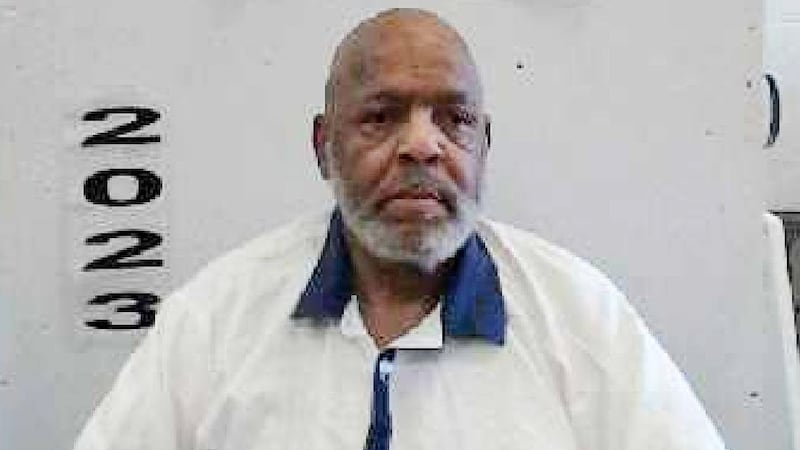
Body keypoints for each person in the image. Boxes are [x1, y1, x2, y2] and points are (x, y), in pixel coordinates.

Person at [74, 8, 728, 450]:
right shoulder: (215, 322)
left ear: (484, 145)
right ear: (323, 146)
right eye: (382, 116)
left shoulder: (581, 319)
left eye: (454, 119)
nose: (422, 146)